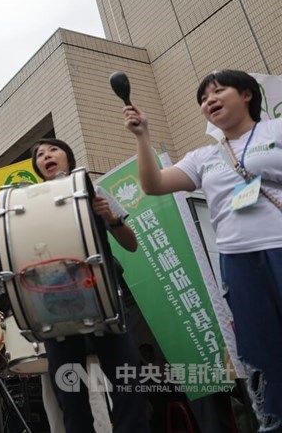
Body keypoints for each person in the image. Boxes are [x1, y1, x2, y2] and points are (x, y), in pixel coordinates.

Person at [124, 69, 282, 431]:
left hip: (279, 247)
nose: (209, 100)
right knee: (262, 352)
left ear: (246, 94)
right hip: (237, 261)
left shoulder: (275, 131)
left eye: (218, 91)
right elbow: (154, 184)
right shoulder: (203, 157)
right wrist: (142, 136)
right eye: (203, 98)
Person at [29, 138, 149, 433]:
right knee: (70, 396)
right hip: (56, 306)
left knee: (126, 383)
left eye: (53, 151)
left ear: (67, 157)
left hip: (104, 296)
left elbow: (130, 244)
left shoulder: (93, 190)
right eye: (40, 155)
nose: (47, 156)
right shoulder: (29, 203)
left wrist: (110, 216)